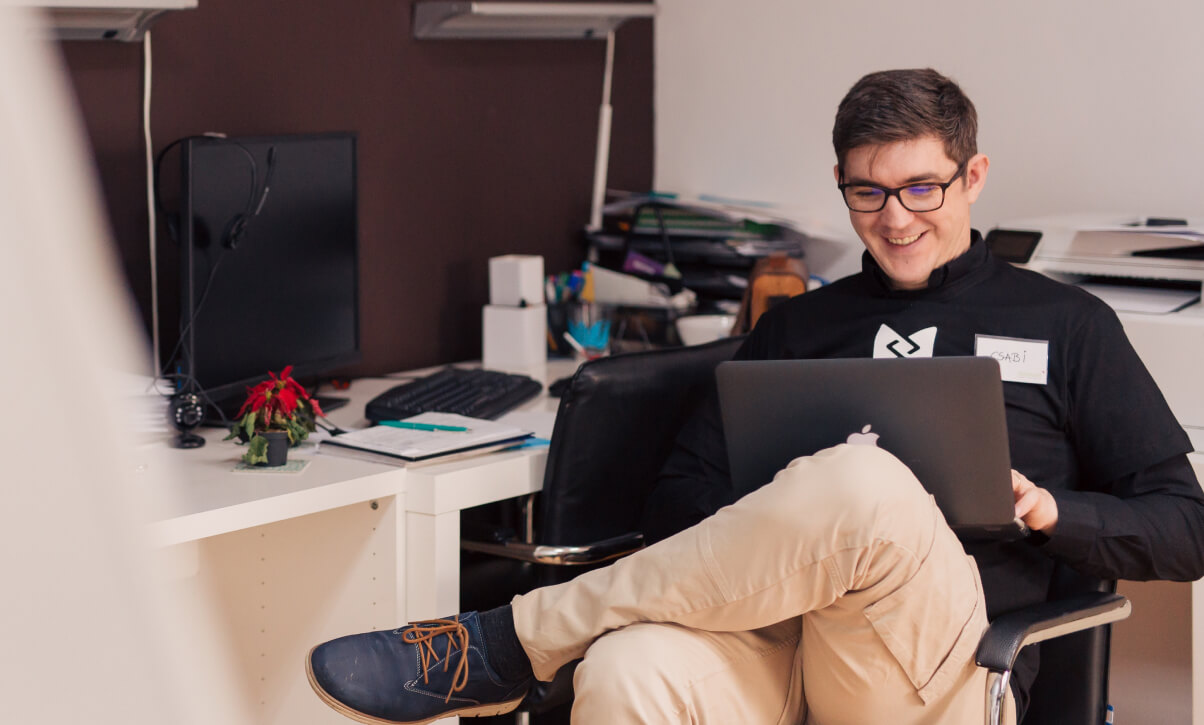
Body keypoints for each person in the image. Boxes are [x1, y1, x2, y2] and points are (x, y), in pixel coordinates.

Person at [306, 69, 1204, 725]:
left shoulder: (1067, 323)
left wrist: (1052, 513)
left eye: (921, 187)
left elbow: (1185, 527)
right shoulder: (799, 325)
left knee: (865, 482)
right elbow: (678, 502)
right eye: (868, 191)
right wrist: (781, 511)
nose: (895, 218)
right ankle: (535, 645)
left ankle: (505, 643)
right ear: (844, 188)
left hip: (938, 666)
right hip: (772, 640)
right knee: (626, 668)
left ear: (972, 176)